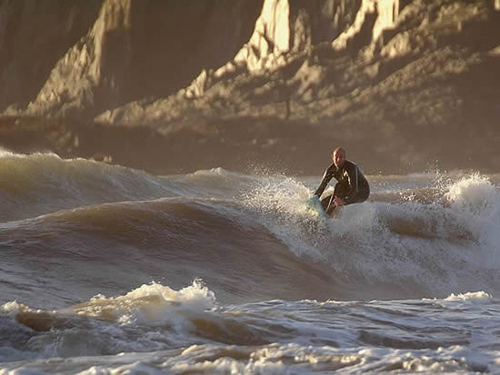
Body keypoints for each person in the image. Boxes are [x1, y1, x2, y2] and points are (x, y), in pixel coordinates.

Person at [313, 147, 370, 215]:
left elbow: (354, 189)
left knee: (338, 186)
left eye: (341, 157)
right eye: (336, 157)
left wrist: (345, 201)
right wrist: (313, 200)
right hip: (347, 191)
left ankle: (327, 215)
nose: (338, 159)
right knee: (322, 203)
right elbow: (321, 188)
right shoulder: (330, 170)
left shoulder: (351, 168)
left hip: (361, 193)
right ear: (332, 157)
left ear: (345, 157)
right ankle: (321, 218)